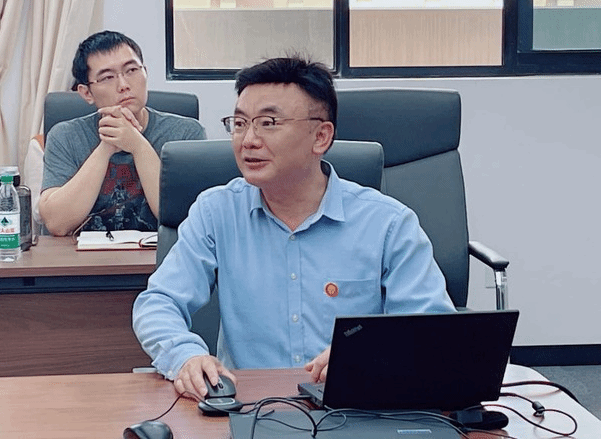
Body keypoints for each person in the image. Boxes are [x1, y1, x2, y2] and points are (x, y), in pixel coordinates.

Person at [132, 56, 455, 398]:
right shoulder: (216, 212)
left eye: (268, 123)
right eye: (239, 123)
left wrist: (373, 355)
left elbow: (435, 332)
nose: (248, 140)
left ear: (321, 137)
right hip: (248, 406)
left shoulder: (388, 224)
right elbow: (158, 302)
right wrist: (185, 356)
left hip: (354, 404)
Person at [39, 31, 206, 236]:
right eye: (107, 77)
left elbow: (185, 219)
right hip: (82, 256)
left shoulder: (186, 133)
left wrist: (137, 145)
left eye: (132, 70)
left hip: (159, 255)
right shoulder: (65, 136)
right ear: (86, 93)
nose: (124, 85)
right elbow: (57, 223)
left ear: (145, 72)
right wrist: (107, 146)